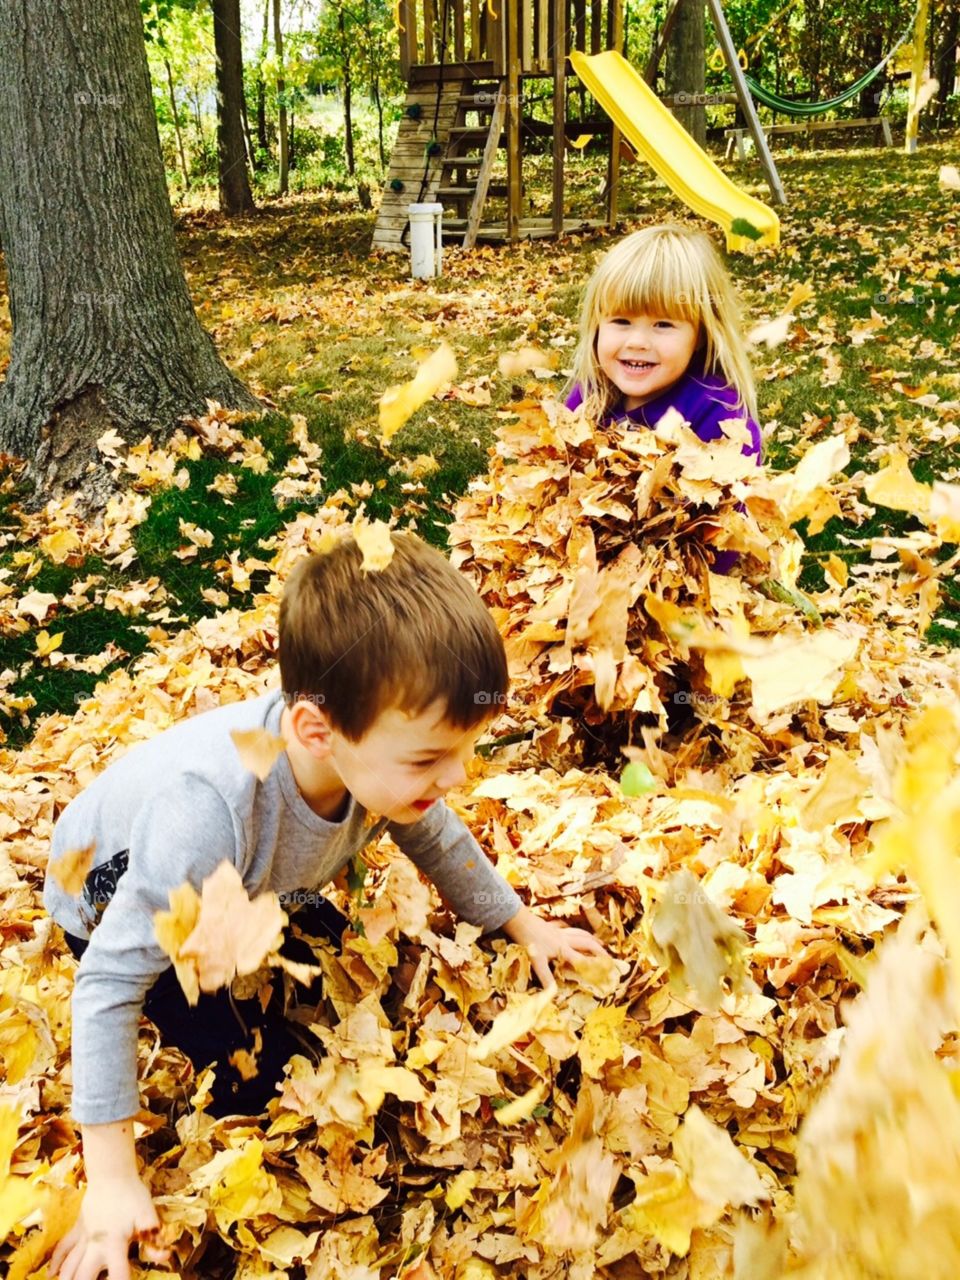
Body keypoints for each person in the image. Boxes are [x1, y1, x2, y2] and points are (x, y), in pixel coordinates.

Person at [45, 532, 608, 1280]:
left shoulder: (366, 755)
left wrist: (520, 922)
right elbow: (109, 985)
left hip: (251, 882)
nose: (459, 775)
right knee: (263, 1073)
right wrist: (112, 1179)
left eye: (466, 749)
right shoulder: (207, 813)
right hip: (118, 900)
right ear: (317, 729)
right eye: (428, 759)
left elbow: (432, 831)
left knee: (343, 981)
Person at [566, 223, 762, 461]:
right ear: (597, 326)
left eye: (663, 325)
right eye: (621, 321)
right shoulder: (590, 395)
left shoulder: (721, 418)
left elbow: (737, 496)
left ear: (700, 335)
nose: (637, 342)